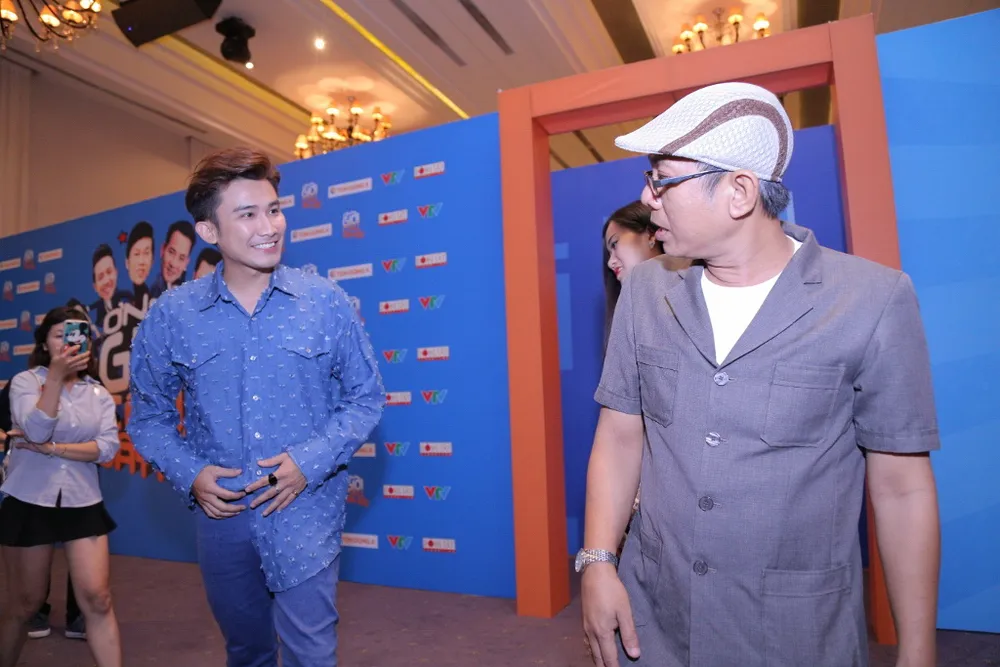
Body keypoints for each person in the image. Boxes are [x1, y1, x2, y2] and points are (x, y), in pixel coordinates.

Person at [578, 82, 940, 667]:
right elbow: (620, 436)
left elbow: (902, 487)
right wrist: (597, 563)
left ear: (739, 192)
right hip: (656, 624)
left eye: (662, 180)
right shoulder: (645, 290)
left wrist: (918, 652)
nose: (647, 198)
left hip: (796, 636)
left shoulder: (872, 300)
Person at [127, 147, 386, 667]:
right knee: (247, 653)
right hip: (221, 519)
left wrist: (307, 463)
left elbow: (366, 398)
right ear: (209, 231)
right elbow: (149, 419)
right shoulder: (174, 315)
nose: (269, 227)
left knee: (312, 655)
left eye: (274, 209)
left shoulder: (324, 301)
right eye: (247, 214)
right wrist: (191, 474)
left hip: (305, 511)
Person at [0, 306, 123, 667]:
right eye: (60, 334)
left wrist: (54, 449)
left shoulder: (98, 393)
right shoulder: (25, 382)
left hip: (83, 500)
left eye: (79, 335)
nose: (70, 342)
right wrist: (54, 377)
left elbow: (108, 449)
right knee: (25, 604)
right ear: (44, 343)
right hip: (28, 498)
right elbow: (36, 429)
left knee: (98, 599)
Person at [601, 201, 690, 532]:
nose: (611, 261)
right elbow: (619, 435)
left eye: (615, 244)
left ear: (651, 234)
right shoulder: (630, 315)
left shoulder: (702, 295)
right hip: (648, 509)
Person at [150, 220, 196, 298]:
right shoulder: (151, 292)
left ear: (186, 263)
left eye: (181, 258)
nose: (174, 264)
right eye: (171, 252)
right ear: (162, 249)